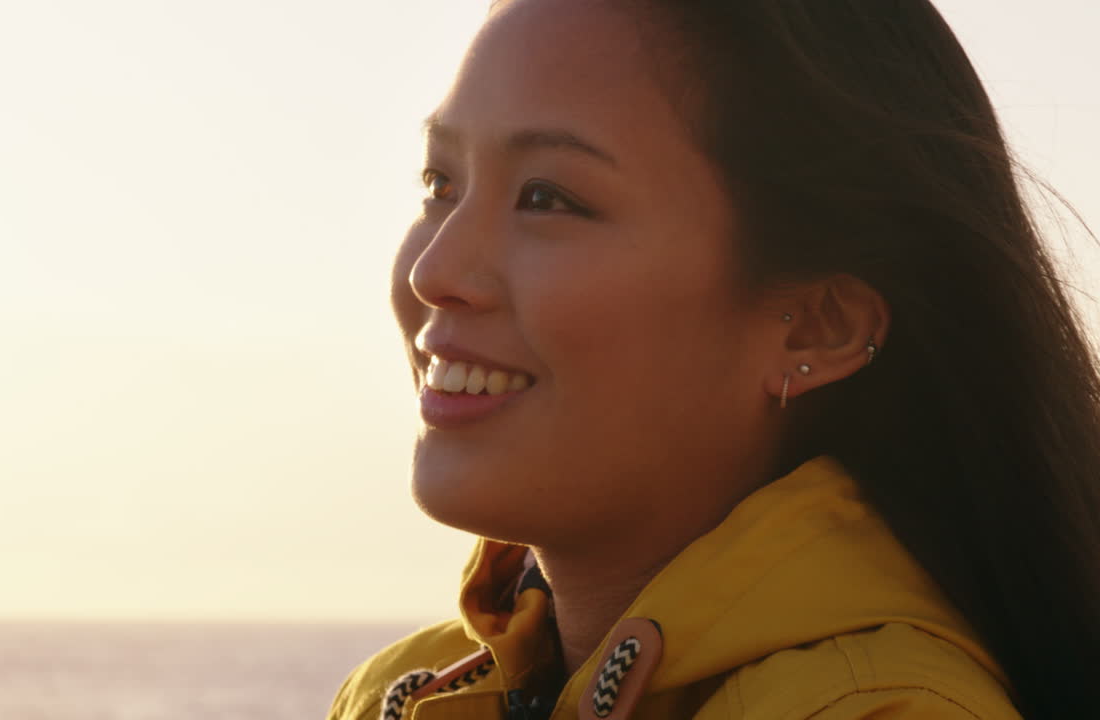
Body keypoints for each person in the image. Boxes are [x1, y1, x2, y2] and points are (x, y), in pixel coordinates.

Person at [327, 1, 1100, 718]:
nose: (433, 272)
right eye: (440, 184)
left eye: (547, 197)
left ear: (816, 329)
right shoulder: (399, 695)